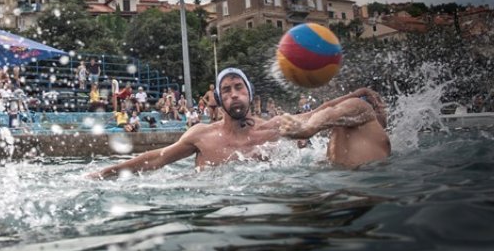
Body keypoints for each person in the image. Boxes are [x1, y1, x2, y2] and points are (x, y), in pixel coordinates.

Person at [89, 67, 390, 179]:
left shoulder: (273, 128)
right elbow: (158, 158)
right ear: (218, 100)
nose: (234, 95)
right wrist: (108, 171)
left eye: (239, 88)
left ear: (249, 94)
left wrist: (353, 96)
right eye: (227, 90)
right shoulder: (201, 135)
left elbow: (314, 117)